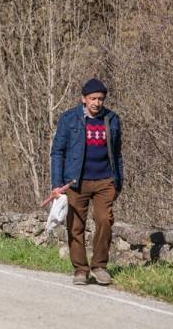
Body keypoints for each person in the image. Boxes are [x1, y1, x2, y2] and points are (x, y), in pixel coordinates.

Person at [50, 78, 123, 285]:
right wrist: (56, 184)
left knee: (104, 220)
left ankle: (99, 266)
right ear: (83, 99)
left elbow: (117, 154)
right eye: (93, 98)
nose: (97, 103)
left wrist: (118, 182)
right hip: (75, 181)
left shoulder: (112, 119)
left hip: (105, 180)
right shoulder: (69, 119)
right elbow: (57, 152)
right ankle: (80, 269)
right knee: (75, 226)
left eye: (100, 99)